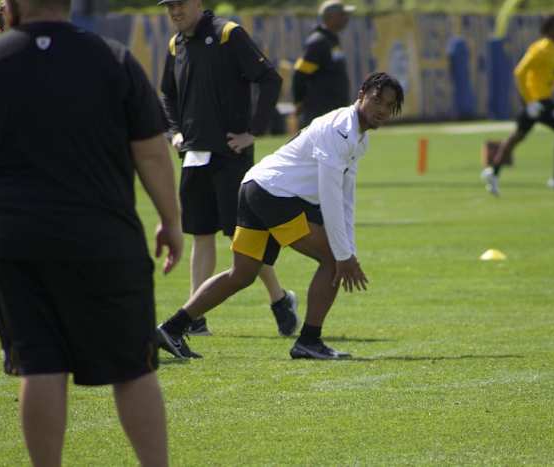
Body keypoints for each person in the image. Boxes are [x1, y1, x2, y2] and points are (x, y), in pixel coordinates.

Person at [0, 0, 183, 465]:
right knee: (133, 369)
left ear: (12, 6)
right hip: (103, 237)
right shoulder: (111, 58)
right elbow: (152, 152)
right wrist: (171, 221)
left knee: (40, 366)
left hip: (16, 239)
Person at [156, 72, 404, 360]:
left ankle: (172, 328)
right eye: (377, 100)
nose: (382, 110)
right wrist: (343, 254)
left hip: (256, 187)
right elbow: (331, 197)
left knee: (242, 274)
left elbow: (346, 197)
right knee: (332, 260)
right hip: (273, 194)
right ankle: (309, 341)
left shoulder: (358, 139)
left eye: (389, 106)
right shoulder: (341, 129)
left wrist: (349, 248)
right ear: (361, 94)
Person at [159, 0, 299, 338]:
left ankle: (279, 299)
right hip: (193, 154)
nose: (175, 12)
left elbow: (269, 79)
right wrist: (175, 131)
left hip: (230, 155)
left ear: (197, 3)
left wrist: (253, 131)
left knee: (243, 238)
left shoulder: (227, 34)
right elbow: (167, 94)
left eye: (180, 4)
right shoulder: (176, 44)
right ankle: (195, 317)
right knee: (201, 234)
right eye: (169, 7)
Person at [481, 15, 554, 196]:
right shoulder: (540, 49)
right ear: (552, 28)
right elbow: (520, 72)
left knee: (517, 137)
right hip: (538, 101)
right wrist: (529, 101)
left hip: (542, 99)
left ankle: (493, 172)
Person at [292, 0, 355, 128]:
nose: (346, 18)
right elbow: (300, 74)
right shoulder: (318, 42)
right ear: (330, 17)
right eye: (342, 14)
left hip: (334, 110)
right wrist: (298, 102)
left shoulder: (331, 40)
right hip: (320, 112)